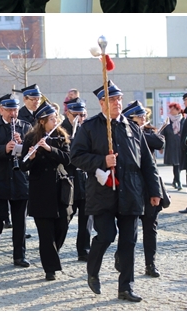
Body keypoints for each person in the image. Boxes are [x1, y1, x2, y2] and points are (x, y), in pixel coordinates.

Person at [70, 81, 162, 302]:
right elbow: (76, 156)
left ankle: (126, 287)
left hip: (131, 192)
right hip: (103, 192)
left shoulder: (132, 128)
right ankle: (93, 270)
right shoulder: (90, 127)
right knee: (106, 235)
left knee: (128, 241)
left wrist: (154, 190)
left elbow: (148, 163)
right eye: (112, 99)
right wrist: (102, 160)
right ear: (102, 103)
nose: (117, 103)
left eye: (119, 99)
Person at [21, 102, 73, 281]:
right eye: (52, 119)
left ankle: (51, 254)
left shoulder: (61, 137)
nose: (55, 121)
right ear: (42, 122)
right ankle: (49, 268)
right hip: (40, 190)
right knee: (45, 232)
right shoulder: (30, 138)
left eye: (55, 118)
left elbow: (67, 159)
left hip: (60, 188)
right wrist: (32, 157)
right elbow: (23, 165)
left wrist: (50, 149)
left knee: (62, 227)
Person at [0, 93, 31, 267]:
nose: (13, 113)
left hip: (19, 179)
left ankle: (19, 255)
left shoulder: (25, 126)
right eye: (9, 110)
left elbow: (32, 151)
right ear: (1, 110)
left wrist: (22, 144)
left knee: (20, 221)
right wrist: (5, 149)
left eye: (15, 110)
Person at [125, 101, 170, 278]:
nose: (144, 118)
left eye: (144, 115)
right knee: (129, 230)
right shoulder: (124, 133)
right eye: (139, 116)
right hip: (132, 187)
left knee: (150, 229)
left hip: (150, 186)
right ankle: (122, 258)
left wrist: (141, 129)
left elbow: (160, 142)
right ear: (131, 118)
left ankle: (150, 264)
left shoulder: (147, 132)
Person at [61, 98, 91, 260]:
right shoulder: (61, 129)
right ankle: (56, 245)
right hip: (69, 178)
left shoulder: (87, 129)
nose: (80, 118)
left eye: (83, 115)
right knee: (65, 216)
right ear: (68, 114)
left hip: (85, 177)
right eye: (76, 115)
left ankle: (84, 250)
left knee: (87, 217)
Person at [160, 101, 185, 189]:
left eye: (173, 109)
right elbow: (162, 134)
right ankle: (178, 182)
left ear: (178, 110)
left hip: (181, 146)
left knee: (179, 164)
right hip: (171, 146)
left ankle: (175, 181)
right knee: (176, 164)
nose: (171, 111)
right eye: (170, 109)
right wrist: (161, 146)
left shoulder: (183, 120)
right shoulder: (167, 121)